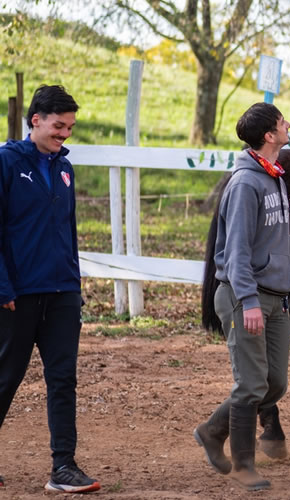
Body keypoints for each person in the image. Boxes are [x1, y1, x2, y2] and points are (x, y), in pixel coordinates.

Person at [193, 102, 290, 491]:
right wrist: (248, 301)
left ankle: (212, 430)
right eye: (282, 122)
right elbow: (238, 252)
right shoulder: (246, 186)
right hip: (249, 297)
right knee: (251, 385)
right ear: (268, 135)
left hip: (277, 296)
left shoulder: (274, 178)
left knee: (274, 384)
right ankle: (244, 464)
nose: (288, 125)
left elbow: (279, 242)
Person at [0, 85, 101, 493]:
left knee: (63, 380)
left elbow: (69, 231)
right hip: (17, 295)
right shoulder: (6, 163)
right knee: (6, 378)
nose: (65, 134)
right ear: (35, 120)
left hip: (61, 293)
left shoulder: (65, 168)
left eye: (70, 127)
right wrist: (3, 286)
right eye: (59, 126)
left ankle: (64, 467)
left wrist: (74, 283)